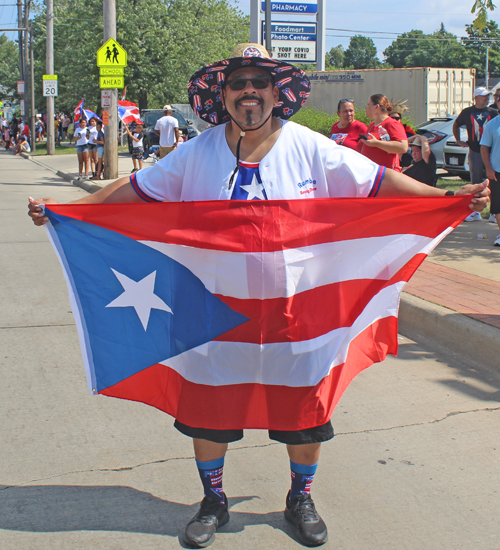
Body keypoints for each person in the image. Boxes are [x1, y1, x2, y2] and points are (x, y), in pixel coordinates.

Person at [28, 43, 490, 549]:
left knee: (305, 412)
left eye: (258, 82)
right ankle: (213, 501)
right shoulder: (195, 152)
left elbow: (380, 184)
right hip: (211, 313)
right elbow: (134, 192)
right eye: (237, 83)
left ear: (276, 93)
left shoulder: (311, 146)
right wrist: (67, 208)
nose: (248, 90)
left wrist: (448, 198)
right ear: (222, 95)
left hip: (298, 314)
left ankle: (300, 499)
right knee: (208, 409)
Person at [453, 87, 498, 221]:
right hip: (475, 151)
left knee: (494, 181)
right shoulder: (467, 112)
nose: (486, 98)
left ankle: (494, 212)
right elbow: (456, 124)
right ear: (476, 97)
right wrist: (459, 141)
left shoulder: (493, 112)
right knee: (476, 181)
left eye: (487, 96)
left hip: (492, 152)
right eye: (484, 96)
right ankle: (475, 212)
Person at [357, 94, 408, 171]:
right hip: (372, 174)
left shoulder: (392, 124)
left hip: (386, 176)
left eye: (368, 104)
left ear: (376, 107)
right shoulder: (372, 125)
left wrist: (377, 143)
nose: (366, 107)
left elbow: (403, 147)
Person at [480, 90, 500, 246]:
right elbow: (484, 148)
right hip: (497, 171)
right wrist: (488, 168)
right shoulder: (492, 125)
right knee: (498, 205)